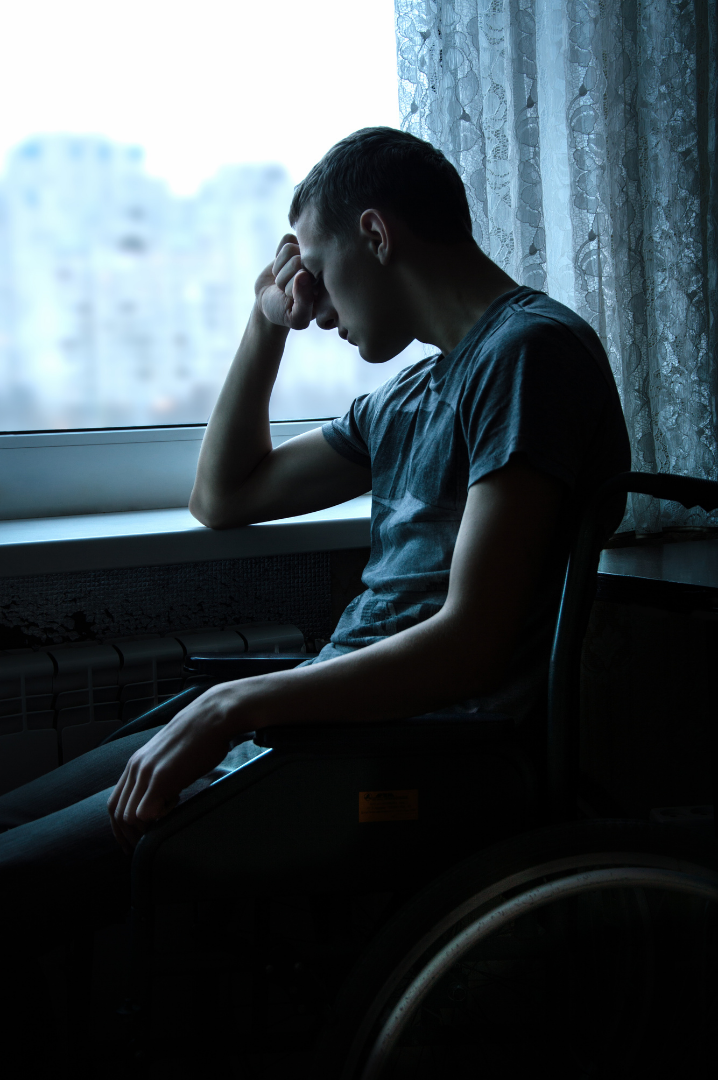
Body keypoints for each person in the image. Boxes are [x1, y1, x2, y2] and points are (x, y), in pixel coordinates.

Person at [0, 127, 630, 1049]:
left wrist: (230, 706)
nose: (314, 303)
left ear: (375, 235)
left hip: (418, 754)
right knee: (13, 817)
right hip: (327, 727)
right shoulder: (410, 396)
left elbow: (474, 642)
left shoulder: (528, 355)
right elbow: (225, 496)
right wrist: (264, 324)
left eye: (316, 265)